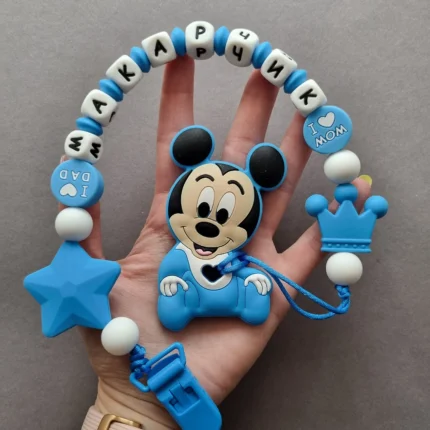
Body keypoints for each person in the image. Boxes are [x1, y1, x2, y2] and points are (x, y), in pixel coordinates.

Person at [77, 56, 370, 429]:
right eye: (200, 211)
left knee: (253, 294)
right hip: (190, 296)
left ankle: (245, 298)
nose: (209, 225)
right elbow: (172, 270)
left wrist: (255, 280)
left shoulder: (238, 256)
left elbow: (248, 272)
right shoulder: (179, 253)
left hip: (230, 292)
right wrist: (134, 403)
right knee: (175, 302)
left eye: (222, 217)